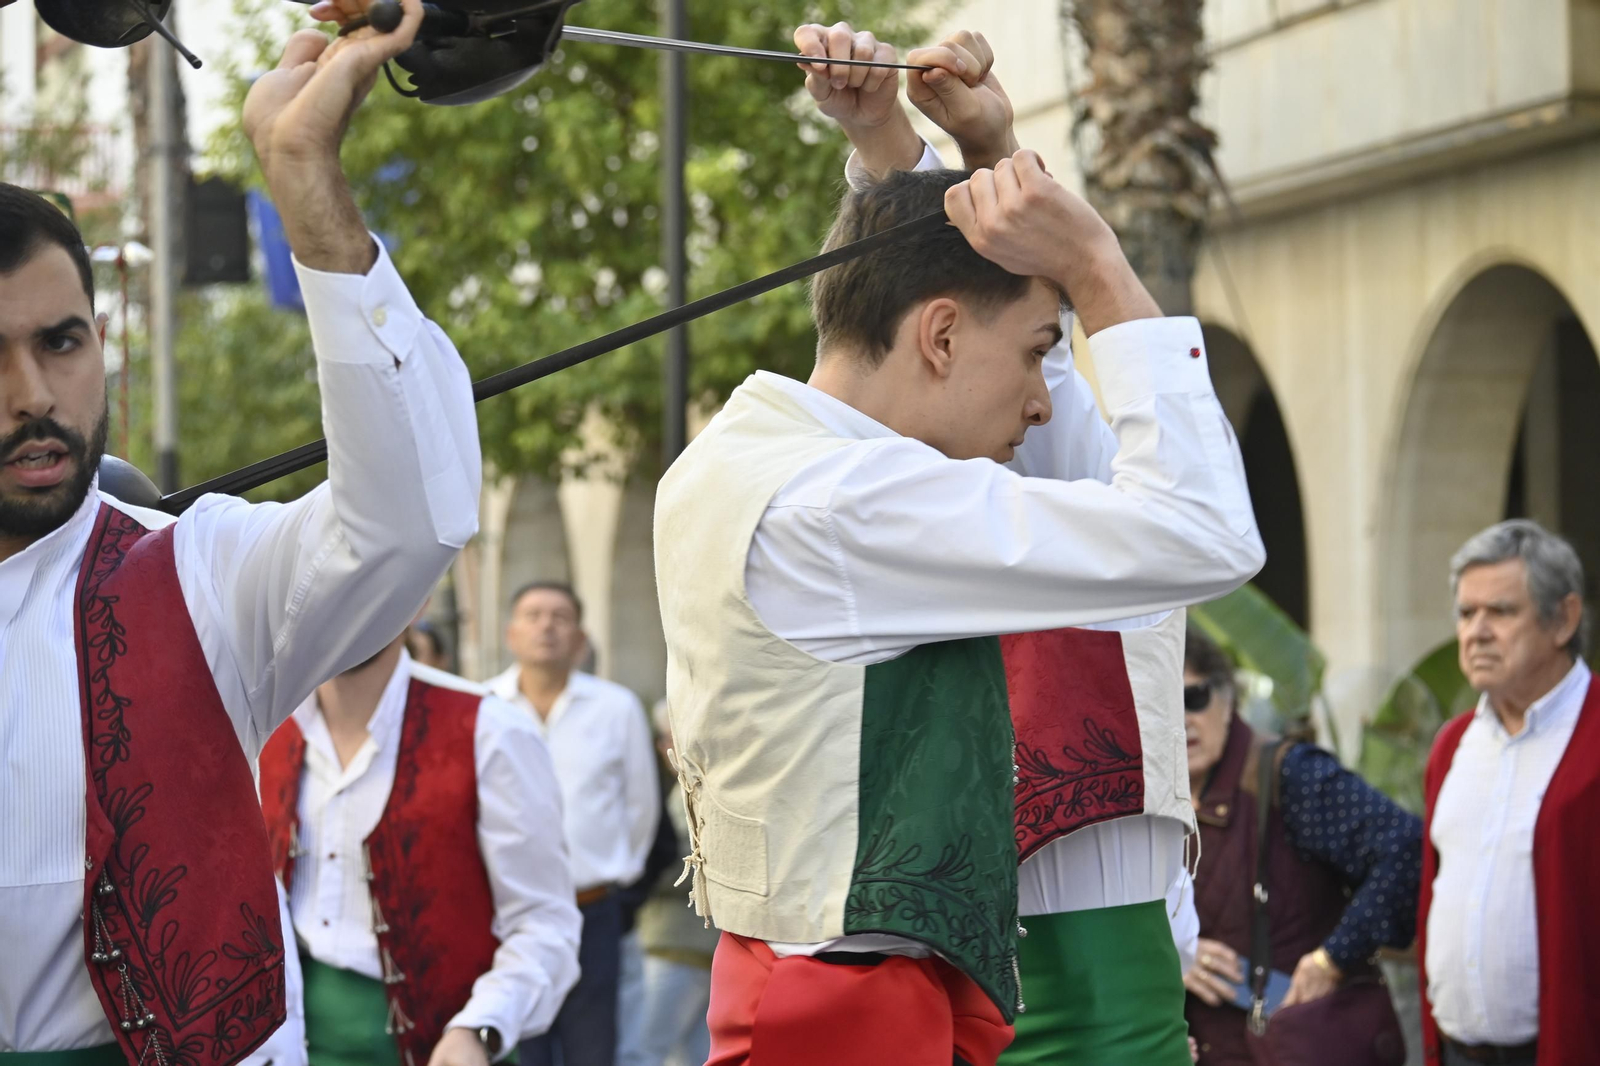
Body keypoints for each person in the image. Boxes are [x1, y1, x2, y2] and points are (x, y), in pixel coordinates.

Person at [651, 19, 1266, 1063]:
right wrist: (1093, 263)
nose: (1038, 396)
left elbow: (934, 343)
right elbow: (1192, 524)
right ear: (942, 335)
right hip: (863, 999)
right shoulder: (851, 503)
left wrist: (925, 156)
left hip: (841, 977)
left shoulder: (749, 455)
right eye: (1038, 353)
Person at [0, 0, 482, 1061]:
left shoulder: (189, 573)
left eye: (62, 341)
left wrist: (306, 180)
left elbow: (408, 520)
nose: (33, 393)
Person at [798, 25, 1227, 1064]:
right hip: (935, 965)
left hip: (1110, 968)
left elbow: (1013, 367)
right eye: (1037, 353)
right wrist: (899, 156)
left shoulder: (1081, 471)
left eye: (1057, 347)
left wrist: (970, 162)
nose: (1040, 393)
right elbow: (926, 359)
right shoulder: (866, 486)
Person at [254, 629, 580, 1066]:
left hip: (441, 1050)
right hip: (285, 1045)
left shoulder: (491, 729)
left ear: (420, 596)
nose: (351, 604)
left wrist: (479, 1028)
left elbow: (544, 921)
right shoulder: (262, 722)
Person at [1182, 627, 1418, 1064]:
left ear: (1228, 695)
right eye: (1161, 706)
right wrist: (1173, 953)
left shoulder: (1289, 775)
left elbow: (1405, 849)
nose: (1181, 720)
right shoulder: (1142, 803)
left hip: (1310, 1044)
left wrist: (1332, 960)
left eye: (1193, 699)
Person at [1418, 520, 1600, 1066]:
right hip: (1456, 1051)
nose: (1476, 631)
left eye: (1500, 611)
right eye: (1466, 613)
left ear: (1564, 619)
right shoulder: (1453, 746)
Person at [486, 581, 661, 1066]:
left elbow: (641, 808)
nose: (546, 626)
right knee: (522, 1047)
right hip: (508, 915)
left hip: (595, 912)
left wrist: (621, 880)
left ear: (580, 637)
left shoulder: (616, 707)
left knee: (594, 1048)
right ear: (511, 633)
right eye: (534, 615)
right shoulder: (483, 706)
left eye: (560, 617)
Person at [633, 700, 719, 1066]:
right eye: (665, 738)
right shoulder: (677, 787)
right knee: (690, 1052)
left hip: (678, 941)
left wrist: (634, 872)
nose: (667, 747)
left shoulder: (700, 787)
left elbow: (687, 858)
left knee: (644, 1049)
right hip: (689, 942)